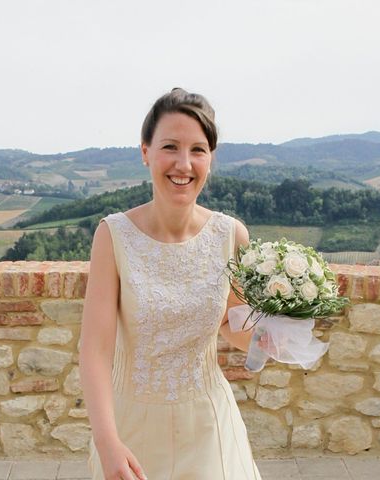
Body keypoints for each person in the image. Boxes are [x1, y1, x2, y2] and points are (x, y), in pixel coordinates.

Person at [79, 88, 263, 480]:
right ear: (145, 151)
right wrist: (106, 442)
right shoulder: (114, 237)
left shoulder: (232, 236)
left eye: (198, 149)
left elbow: (233, 325)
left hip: (209, 426)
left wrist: (277, 331)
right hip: (132, 429)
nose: (184, 163)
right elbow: (95, 350)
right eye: (170, 146)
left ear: (210, 158)